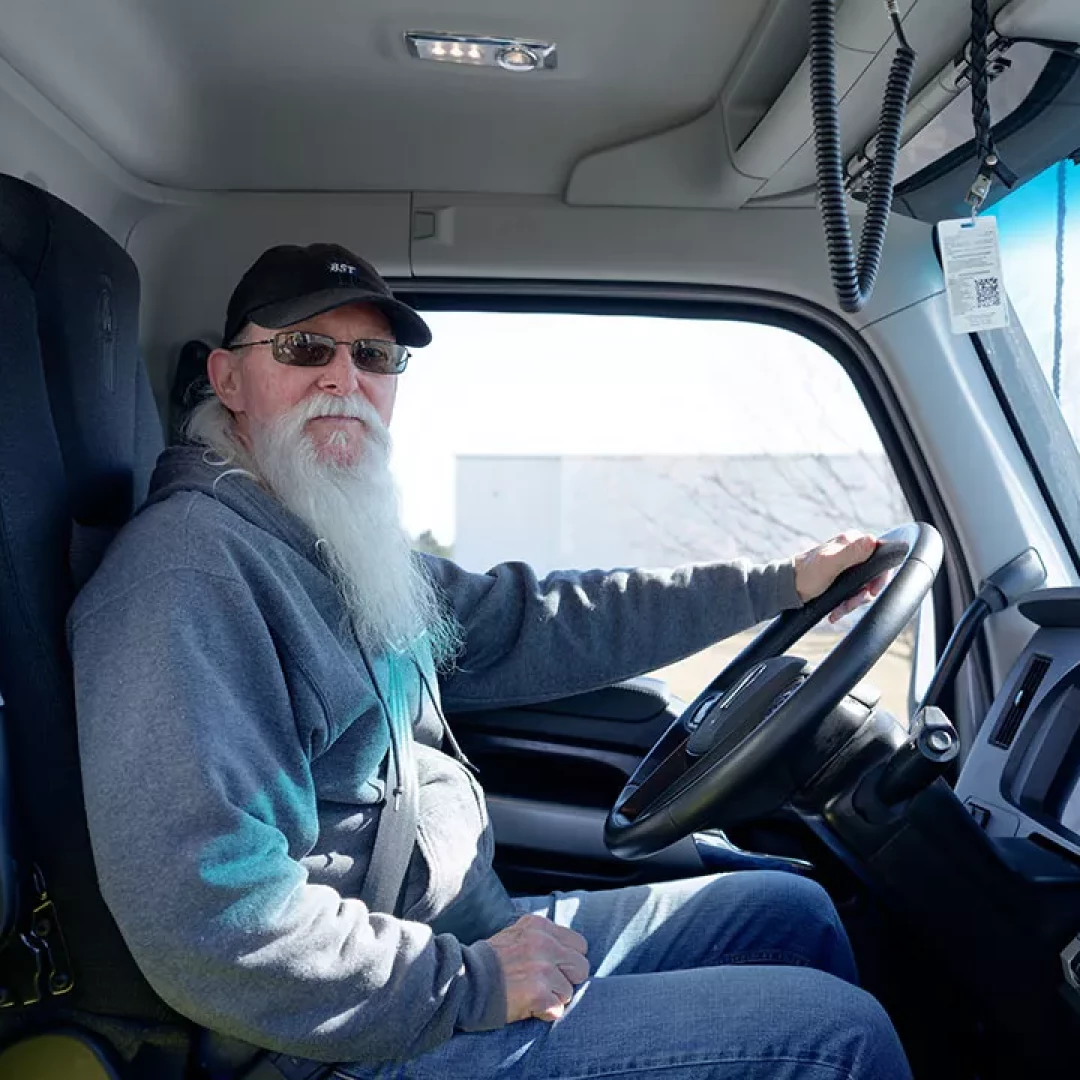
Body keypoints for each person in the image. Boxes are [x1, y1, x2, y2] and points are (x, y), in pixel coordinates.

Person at [69, 243, 912, 1079]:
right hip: (345, 1034)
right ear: (227, 380)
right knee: (837, 1039)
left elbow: (534, 620)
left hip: (455, 944)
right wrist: (472, 984)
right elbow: (211, 916)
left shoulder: (328, 545)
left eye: (373, 355)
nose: (343, 378)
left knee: (788, 912)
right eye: (303, 349)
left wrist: (777, 585)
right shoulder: (186, 577)